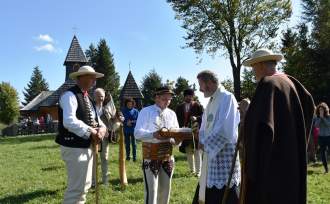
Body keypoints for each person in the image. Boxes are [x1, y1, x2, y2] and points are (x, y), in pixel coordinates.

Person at [240, 49, 315, 204]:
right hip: (291, 156)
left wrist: (247, 115)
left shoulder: (268, 84)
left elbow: (258, 126)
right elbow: (310, 106)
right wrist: (300, 140)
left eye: (253, 67)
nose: (253, 72)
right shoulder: (291, 82)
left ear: (260, 65)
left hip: (272, 163)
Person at [55, 65, 107, 204]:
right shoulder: (69, 95)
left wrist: (102, 129)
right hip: (74, 147)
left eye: (94, 78)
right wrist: (91, 131)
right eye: (91, 77)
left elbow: (98, 120)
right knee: (76, 190)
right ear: (81, 78)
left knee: (84, 187)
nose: (94, 81)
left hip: (86, 147)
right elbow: (69, 121)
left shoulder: (88, 98)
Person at [192, 70, 241, 204]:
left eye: (200, 85)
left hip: (224, 155)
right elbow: (204, 126)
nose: (200, 90)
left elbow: (226, 129)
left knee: (225, 193)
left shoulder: (227, 97)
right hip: (210, 156)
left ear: (208, 83)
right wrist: (201, 139)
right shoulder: (211, 101)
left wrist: (205, 144)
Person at [134, 86, 180, 204]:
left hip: (167, 156)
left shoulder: (172, 114)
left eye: (169, 99)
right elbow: (137, 133)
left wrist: (178, 141)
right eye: (164, 99)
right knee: (152, 191)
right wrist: (153, 134)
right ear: (156, 98)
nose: (167, 102)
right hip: (151, 156)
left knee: (165, 191)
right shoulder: (146, 111)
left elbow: (175, 136)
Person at [175, 88, 203, 177]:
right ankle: (192, 170)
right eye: (187, 96)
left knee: (197, 151)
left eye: (191, 96)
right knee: (188, 152)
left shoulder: (197, 105)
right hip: (185, 132)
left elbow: (203, 117)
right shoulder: (179, 107)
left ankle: (198, 172)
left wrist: (196, 118)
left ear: (193, 96)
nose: (189, 97)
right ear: (184, 96)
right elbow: (176, 119)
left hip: (196, 132)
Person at [91, 88, 113, 187]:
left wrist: (120, 116)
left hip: (105, 137)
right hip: (93, 137)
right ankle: (93, 181)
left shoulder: (106, 109)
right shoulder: (90, 108)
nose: (101, 98)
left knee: (105, 158)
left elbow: (114, 117)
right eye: (99, 96)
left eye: (102, 96)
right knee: (93, 159)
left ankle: (105, 181)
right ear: (94, 97)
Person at [313, 102, 330, 173]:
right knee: (323, 153)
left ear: (325, 110)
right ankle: (326, 169)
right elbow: (316, 125)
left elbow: (329, 124)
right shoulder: (317, 117)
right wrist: (320, 118)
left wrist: (323, 118)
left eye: (322, 110)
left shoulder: (329, 116)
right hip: (321, 137)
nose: (321, 111)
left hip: (328, 136)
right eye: (320, 110)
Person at [122, 97, 139, 161]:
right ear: (126, 104)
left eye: (131, 104)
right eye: (128, 104)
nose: (129, 105)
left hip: (133, 130)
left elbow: (139, 120)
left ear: (133, 104)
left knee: (134, 144)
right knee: (127, 144)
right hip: (126, 130)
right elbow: (121, 119)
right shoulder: (123, 110)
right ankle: (128, 157)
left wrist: (131, 122)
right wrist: (126, 122)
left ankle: (134, 158)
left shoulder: (136, 111)